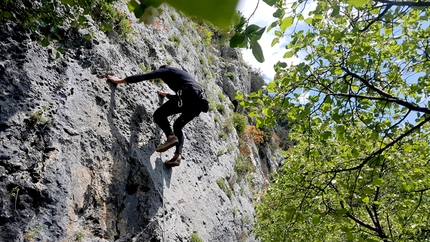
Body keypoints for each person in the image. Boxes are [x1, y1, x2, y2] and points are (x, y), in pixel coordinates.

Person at [106, 65, 209, 167]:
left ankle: (170, 137)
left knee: (159, 115)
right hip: (199, 103)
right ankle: (177, 156)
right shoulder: (180, 75)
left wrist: (119, 81)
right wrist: (167, 95)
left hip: (189, 94)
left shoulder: (165, 71)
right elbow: (187, 98)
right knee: (178, 126)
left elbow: (143, 77)